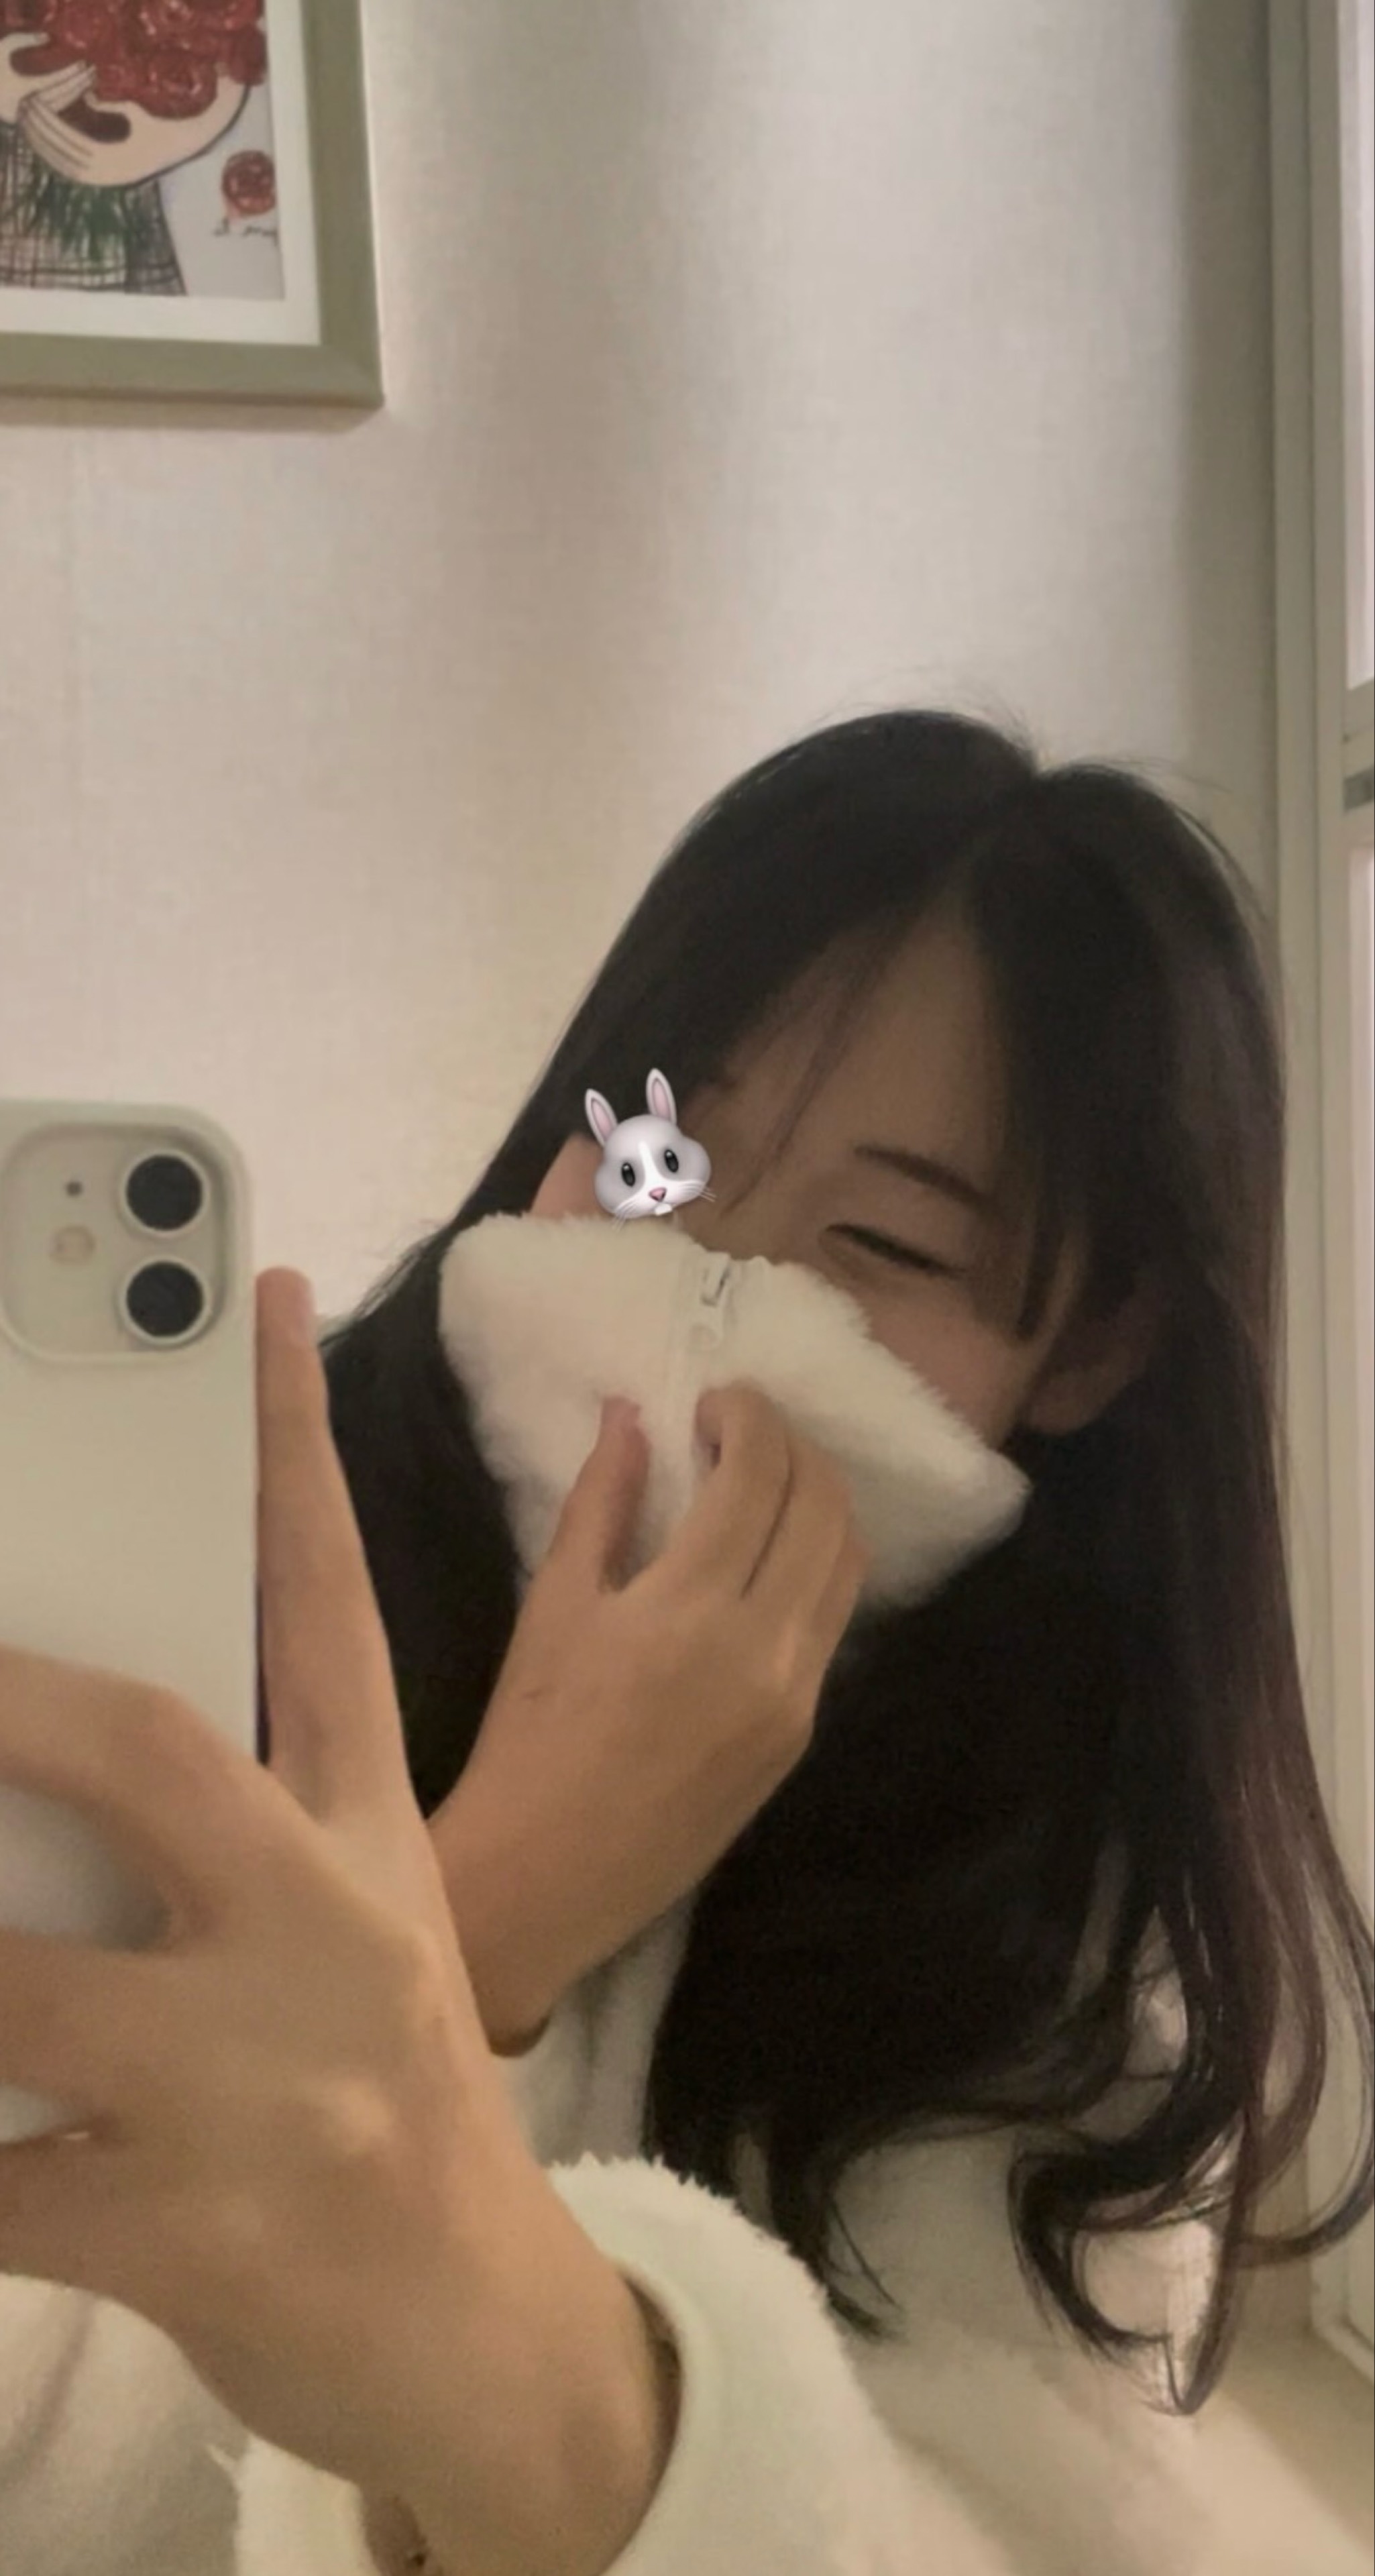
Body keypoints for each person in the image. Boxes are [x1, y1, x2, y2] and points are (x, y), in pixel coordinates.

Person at [1, 706, 1371, 2573]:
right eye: (649, 1157)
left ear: (1092, 1346)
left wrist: (553, 2392)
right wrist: (495, 1911)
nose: (695, 1278)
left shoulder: (1060, 1875)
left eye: (883, 1246)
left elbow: (1021, 2529)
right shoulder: (233, 1563)